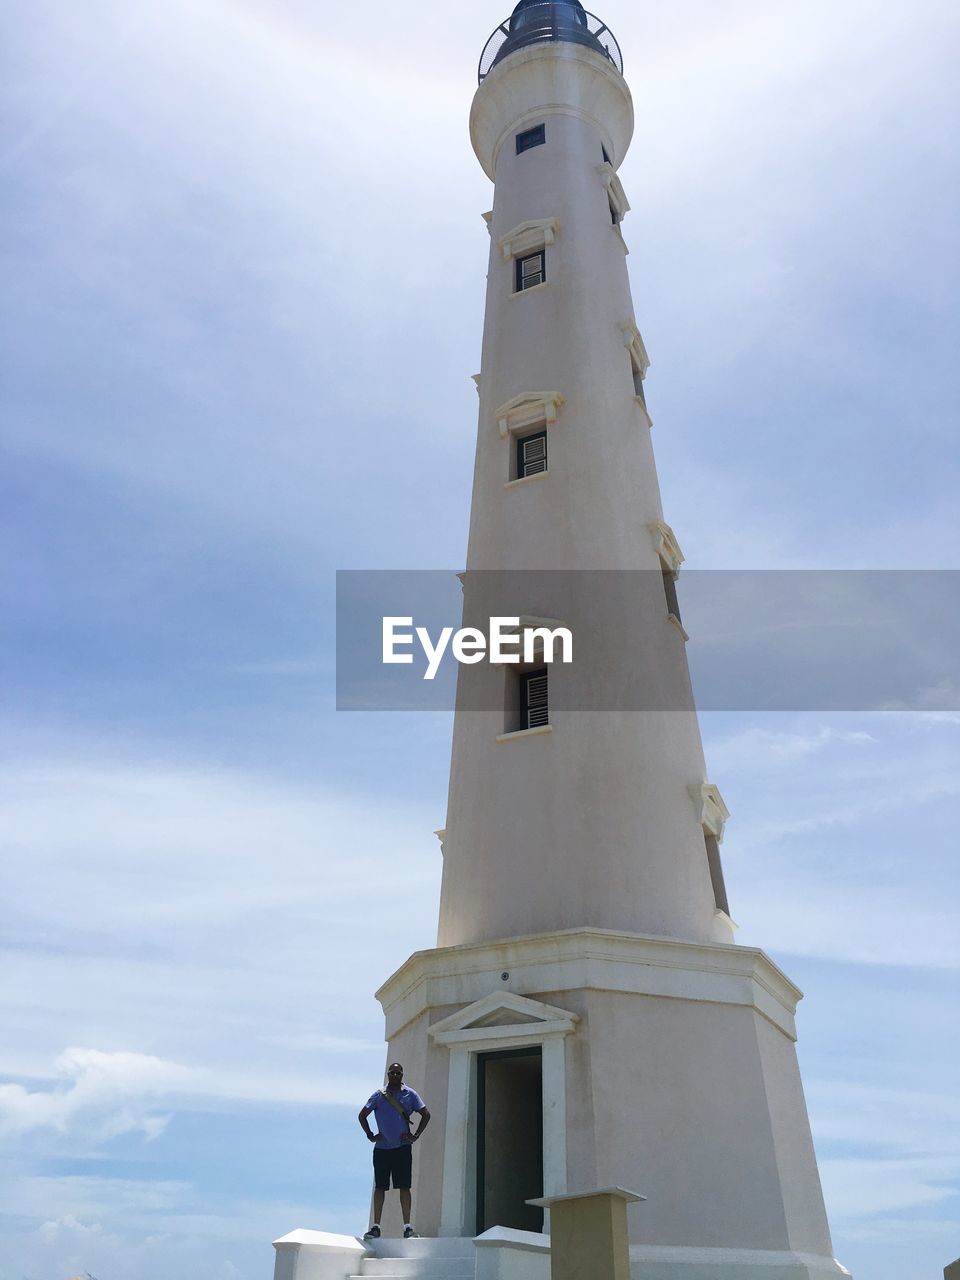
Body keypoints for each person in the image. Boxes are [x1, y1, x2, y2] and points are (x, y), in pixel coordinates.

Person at [358, 1062, 430, 1240]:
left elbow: (425, 1114)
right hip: (382, 1148)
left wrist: (415, 1136)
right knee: (380, 1187)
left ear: (402, 1075)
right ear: (388, 1074)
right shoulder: (379, 1095)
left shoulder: (410, 1094)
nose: (395, 1076)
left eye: (398, 1073)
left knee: (404, 1186)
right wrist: (371, 1135)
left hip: (402, 1148)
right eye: (393, 1073)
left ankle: (407, 1228)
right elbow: (362, 1115)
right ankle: (375, 1227)